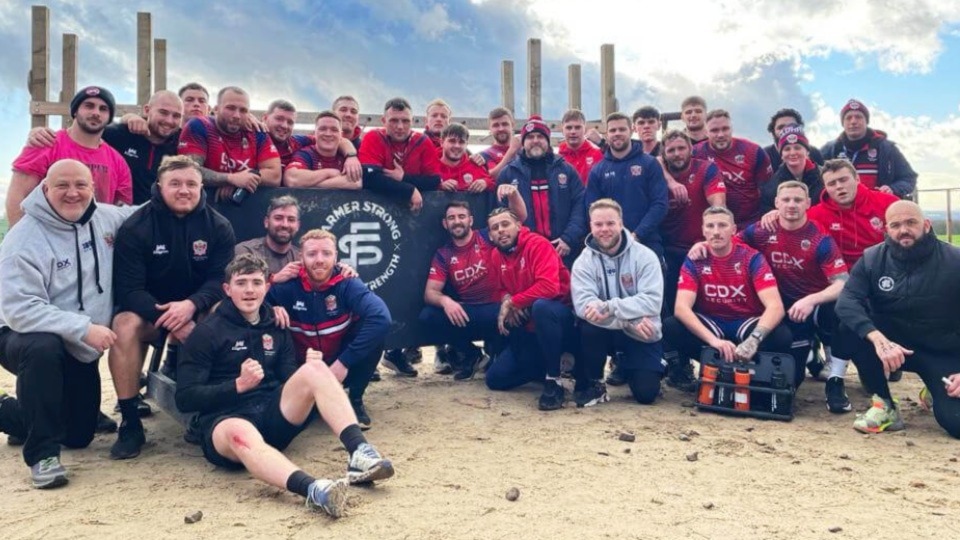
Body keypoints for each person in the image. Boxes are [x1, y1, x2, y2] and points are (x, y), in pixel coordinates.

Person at [175, 254, 394, 518]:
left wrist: (308, 371)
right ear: (227, 289)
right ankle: (315, 490)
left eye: (256, 282)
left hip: (271, 415)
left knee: (315, 369)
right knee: (239, 433)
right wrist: (237, 385)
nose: (249, 290)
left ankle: (359, 453)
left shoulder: (276, 323)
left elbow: (288, 375)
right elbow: (185, 398)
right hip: (225, 419)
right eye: (241, 283)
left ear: (267, 286)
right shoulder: (208, 331)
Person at [0, 159, 137, 488]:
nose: (72, 193)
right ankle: (43, 455)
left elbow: (144, 212)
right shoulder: (23, 239)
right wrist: (83, 328)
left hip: (76, 344)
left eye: (81, 185)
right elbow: (20, 309)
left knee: (78, 434)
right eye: (62, 185)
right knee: (43, 346)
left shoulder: (105, 217)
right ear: (45, 189)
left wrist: (181, 191)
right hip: (20, 335)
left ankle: (13, 415)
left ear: (93, 188)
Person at [109, 156, 236, 460]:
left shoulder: (219, 225)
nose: (184, 190)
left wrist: (191, 306)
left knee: (223, 309)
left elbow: (221, 279)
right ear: (159, 186)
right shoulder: (136, 226)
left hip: (197, 310)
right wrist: (170, 318)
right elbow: (129, 290)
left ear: (201, 187)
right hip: (152, 313)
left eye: (191, 184)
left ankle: (209, 410)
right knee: (124, 324)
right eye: (175, 183)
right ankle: (130, 420)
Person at [836, 201, 960, 437]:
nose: (904, 230)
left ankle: (934, 390)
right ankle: (884, 405)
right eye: (896, 225)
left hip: (942, 350)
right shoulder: (872, 259)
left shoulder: (955, 261)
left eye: (911, 223)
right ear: (886, 230)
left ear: (926, 225)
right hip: (895, 349)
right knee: (849, 328)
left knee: (956, 423)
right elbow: (847, 300)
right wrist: (877, 339)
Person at [740, 182, 850, 411]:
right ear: (776, 203)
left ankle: (833, 371)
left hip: (806, 308)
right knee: (771, 377)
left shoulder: (819, 238)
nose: (792, 205)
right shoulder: (761, 230)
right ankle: (810, 355)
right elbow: (732, 246)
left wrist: (810, 300)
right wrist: (702, 246)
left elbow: (842, 283)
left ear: (808, 204)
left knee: (837, 309)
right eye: (786, 200)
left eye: (798, 200)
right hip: (774, 306)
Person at [267, 230, 390, 430]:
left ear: (336, 257)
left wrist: (343, 363)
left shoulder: (347, 283)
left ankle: (355, 399)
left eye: (326, 253)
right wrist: (269, 307)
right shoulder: (286, 286)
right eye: (312, 254)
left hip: (338, 366)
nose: (319, 260)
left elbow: (381, 317)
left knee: (373, 334)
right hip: (299, 368)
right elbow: (245, 309)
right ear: (301, 257)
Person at [663, 207, 793, 386]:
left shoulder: (751, 258)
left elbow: (775, 306)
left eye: (722, 225)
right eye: (710, 226)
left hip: (746, 322)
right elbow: (681, 308)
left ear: (733, 230)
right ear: (703, 230)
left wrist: (753, 340)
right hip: (714, 323)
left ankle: (751, 371)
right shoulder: (696, 258)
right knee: (671, 327)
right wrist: (714, 341)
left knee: (782, 336)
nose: (716, 232)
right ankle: (716, 365)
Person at [420, 190, 528, 378]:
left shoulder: (487, 236)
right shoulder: (443, 254)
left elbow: (518, 218)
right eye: (451, 218)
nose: (457, 221)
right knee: (428, 316)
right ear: (445, 224)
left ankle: (497, 354)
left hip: (499, 309)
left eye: (461, 216)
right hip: (470, 313)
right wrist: (447, 302)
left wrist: (513, 194)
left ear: (470, 220)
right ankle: (472, 356)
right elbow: (430, 292)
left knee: (498, 374)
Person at [571, 199, 664, 406]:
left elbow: (652, 302)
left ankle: (631, 365)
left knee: (646, 394)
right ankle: (596, 382)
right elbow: (583, 306)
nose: (605, 229)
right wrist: (629, 320)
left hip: (641, 332)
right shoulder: (583, 262)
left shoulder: (645, 256)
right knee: (588, 325)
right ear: (591, 226)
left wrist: (609, 307)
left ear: (621, 224)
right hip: (614, 329)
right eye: (598, 224)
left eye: (610, 223)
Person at [484, 208, 576, 411]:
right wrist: (507, 298)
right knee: (495, 379)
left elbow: (549, 287)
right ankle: (548, 366)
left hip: (559, 318)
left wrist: (514, 302)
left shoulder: (537, 244)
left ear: (519, 226)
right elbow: (499, 290)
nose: (501, 230)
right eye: (495, 227)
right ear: (490, 235)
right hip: (528, 326)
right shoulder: (495, 255)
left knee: (541, 307)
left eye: (505, 224)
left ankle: (555, 380)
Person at [26, 90, 183, 205]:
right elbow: (82, 134)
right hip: (121, 221)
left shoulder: (181, 142)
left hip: (162, 223)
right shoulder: (120, 134)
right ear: (147, 110)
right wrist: (38, 132)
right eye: (163, 112)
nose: (169, 120)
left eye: (176, 116)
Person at [8, 86, 132, 225]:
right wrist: (22, 240)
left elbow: (120, 211)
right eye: (89, 106)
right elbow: (18, 197)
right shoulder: (45, 144)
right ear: (75, 111)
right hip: (46, 237)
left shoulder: (117, 161)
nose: (96, 112)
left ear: (109, 117)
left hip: (94, 240)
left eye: (103, 109)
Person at [497, 115, 586, 267]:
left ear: (548, 141)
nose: (536, 140)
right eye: (530, 137)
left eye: (540, 136)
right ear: (523, 142)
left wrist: (568, 238)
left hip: (563, 249)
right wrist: (518, 243)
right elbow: (499, 214)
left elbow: (580, 206)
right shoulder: (508, 173)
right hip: (526, 252)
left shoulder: (566, 169)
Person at [584, 112, 669, 258]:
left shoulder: (649, 163)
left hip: (647, 244)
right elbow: (592, 209)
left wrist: (637, 234)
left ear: (631, 130)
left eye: (622, 129)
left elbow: (660, 204)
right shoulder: (597, 170)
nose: (617, 133)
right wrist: (611, 237)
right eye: (613, 130)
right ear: (607, 134)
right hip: (611, 248)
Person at [178, 86, 281, 202]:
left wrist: (242, 181)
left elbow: (275, 175)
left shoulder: (256, 131)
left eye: (243, 110)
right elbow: (189, 170)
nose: (236, 115)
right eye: (230, 108)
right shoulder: (199, 126)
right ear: (216, 109)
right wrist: (231, 179)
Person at [820, 99, 917, 198]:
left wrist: (892, 189)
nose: (853, 121)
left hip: (877, 208)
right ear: (843, 123)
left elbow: (909, 178)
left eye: (858, 117)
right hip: (841, 210)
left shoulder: (887, 149)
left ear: (866, 121)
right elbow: (814, 179)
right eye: (848, 118)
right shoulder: (829, 150)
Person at [358, 97, 441, 212]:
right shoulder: (374, 137)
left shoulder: (422, 141)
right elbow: (369, 177)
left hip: (414, 213)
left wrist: (403, 178)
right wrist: (409, 190)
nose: (400, 127)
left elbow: (434, 181)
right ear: (384, 121)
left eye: (405, 121)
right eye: (394, 120)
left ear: (412, 121)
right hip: (375, 209)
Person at [692, 109, 773, 226]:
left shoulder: (754, 151)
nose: (720, 134)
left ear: (732, 129)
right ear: (706, 132)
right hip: (712, 224)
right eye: (714, 130)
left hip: (750, 223)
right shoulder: (695, 152)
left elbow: (768, 191)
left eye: (725, 129)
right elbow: (663, 161)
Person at [284, 111, 363, 190]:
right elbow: (291, 179)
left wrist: (309, 184)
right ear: (315, 133)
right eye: (323, 129)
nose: (328, 134)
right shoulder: (305, 154)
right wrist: (329, 173)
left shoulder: (346, 156)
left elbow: (356, 182)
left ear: (341, 135)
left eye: (334, 130)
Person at [235, 195, 303, 282]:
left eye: (291, 219)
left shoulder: (300, 257)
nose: (285, 225)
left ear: (298, 226)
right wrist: (274, 279)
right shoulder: (246, 251)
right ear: (266, 222)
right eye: (278, 218)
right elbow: (241, 288)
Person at [759, 125, 824, 214]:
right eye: (787, 149)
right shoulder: (771, 187)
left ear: (807, 151)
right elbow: (765, 210)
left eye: (797, 148)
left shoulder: (825, 177)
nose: (792, 153)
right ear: (781, 155)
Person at [437, 124, 493, 193]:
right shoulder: (430, 167)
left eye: (461, 142)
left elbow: (493, 184)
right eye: (452, 141)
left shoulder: (475, 165)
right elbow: (421, 185)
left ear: (466, 144)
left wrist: (485, 183)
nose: (457, 146)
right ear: (441, 142)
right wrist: (438, 185)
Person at [557, 109, 604, 185]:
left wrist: (602, 143)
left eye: (578, 127)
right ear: (562, 130)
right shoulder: (557, 160)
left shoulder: (597, 155)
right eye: (569, 128)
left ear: (584, 129)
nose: (573, 132)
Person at [473, 107, 520, 181]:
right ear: (490, 129)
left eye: (505, 124)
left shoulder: (525, 151)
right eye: (496, 125)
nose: (501, 129)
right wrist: (511, 152)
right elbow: (491, 178)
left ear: (513, 125)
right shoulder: (483, 156)